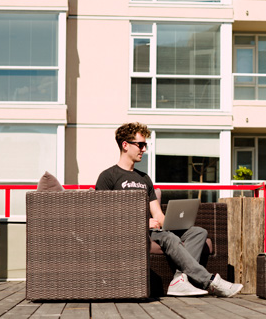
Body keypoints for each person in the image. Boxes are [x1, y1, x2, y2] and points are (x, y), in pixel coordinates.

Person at [95, 122, 243, 298]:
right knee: (168, 237)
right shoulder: (108, 177)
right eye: (140, 145)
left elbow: (157, 213)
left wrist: (174, 222)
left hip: (153, 230)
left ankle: (180, 279)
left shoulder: (144, 179)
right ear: (125, 145)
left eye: (145, 145)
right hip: (131, 232)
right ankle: (212, 281)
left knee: (198, 232)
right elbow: (102, 215)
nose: (144, 149)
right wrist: (142, 222)